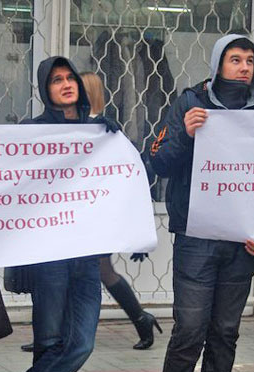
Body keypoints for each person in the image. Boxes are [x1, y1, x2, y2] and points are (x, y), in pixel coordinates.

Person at [149, 34, 254, 372]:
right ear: (218, 64)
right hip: (196, 237)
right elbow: (159, 163)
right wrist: (185, 134)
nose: (244, 67)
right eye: (235, 59)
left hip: (241, 243)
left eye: (249, 60)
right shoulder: (190, 102)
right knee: (189, 332)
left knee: (225, 334)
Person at [17, 57, 118, 372]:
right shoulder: (31, 131)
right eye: (56, 80)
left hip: (87, 256)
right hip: (49, 255)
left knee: (81, 344)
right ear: (46, 90)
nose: (66, 84)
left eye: (70, 77)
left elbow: (120, 180)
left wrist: (112, 139)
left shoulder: (99, 130)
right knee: (49, 344)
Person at [81, 71, 163, 350]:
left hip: (96, 214)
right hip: (84, 214)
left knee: (101, 270)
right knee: (96, 270)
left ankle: (141, 319)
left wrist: (134, 225)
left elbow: (128, 175)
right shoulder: (79, 129)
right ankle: (141, 319)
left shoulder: (105, 131)